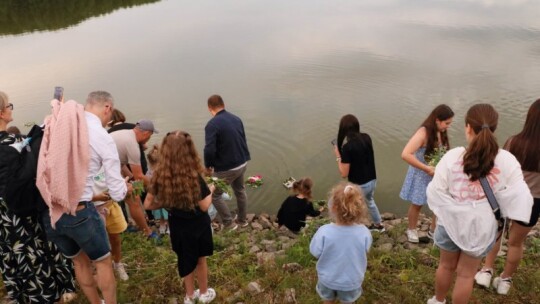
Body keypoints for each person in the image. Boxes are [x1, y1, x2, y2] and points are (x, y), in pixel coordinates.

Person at [425, 103, 533, 304]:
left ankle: (438, 300)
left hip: (450, 223)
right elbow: (522, 197)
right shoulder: (507, 160)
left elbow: (435, 192)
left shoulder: (452, 157)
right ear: (495, 128)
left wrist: (451, 210)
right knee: (466, 275)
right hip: (481, 228)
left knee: (445, 266)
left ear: (467, 127)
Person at [40, 91, 132, 304]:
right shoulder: (100, 135)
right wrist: (123, 188)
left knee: (79, 263)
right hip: (80, 211)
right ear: (107, 107)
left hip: (50, 211)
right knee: (102, 263)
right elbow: (117, 191)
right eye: (110, 114)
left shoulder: (57, 125)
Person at [0, 91, 77, 303]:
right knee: (37, 248)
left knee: (13, 253)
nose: (10, 109)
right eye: (9, 105)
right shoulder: (15, 142)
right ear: (1, 113)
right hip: (24, 211)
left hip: (4, 217)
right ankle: (53, 292)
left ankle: (22, 293)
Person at [474, 99, 540, 295]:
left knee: (496, 235)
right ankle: (505, 280)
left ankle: (486, 270)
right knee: (516, 243)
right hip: (533, 202)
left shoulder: (513, 142)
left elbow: (499, 170)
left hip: (506, 195)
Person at [144, 131, 216, 304]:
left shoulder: (160, 177)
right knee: (200, 260)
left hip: (177, 225)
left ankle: (189, 296)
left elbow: (148, 205)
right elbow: (204, 206)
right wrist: (211, 190)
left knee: (184, 258)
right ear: (190, 151)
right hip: (198, 225)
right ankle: (204, 294)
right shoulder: (194, 177)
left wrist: (167, 203)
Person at [310, 182, 372, 304]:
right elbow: (366, 250)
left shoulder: (324, 231)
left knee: (327, 300)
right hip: (352, 281)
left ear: (333, 208)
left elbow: (315, 252)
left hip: (327, 279)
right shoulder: (364, 232)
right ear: (360, 209)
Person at [400, 104, 454, 243]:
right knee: (417, 203)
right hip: (421, 173)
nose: (448, 126)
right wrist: (426, 168)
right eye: (446, 123)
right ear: (437, 120)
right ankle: (411, 229)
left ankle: (433, 230)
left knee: (438, 203)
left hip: (435, 174)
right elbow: (406, 154)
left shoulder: (441, 132)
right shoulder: (423, 133)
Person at [204, 94, 251, 230]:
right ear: (223, 105)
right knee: (240, 191)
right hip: (242, 162)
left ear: (210, 108)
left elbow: (209, 149)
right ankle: (242, 220)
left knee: (215, 195)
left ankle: (229, 224)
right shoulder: (236, 119)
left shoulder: (212, 124)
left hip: (228, 168)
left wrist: (208, 166)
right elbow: (242, 139)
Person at [333, 114, 385, 232]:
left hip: (359, 186)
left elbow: (344, 173)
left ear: (344, 130)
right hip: (372, 180)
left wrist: (338, 156)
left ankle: (352, 229)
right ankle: (379, 225)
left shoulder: (347, 147)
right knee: (370, 201)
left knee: (349, 206)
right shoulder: (367, 138)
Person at [110, 119, 160, 240]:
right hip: (102, 172)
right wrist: (158, 187)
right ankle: (148, 233)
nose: (149, 139)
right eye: (150, 135)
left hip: (107, 168)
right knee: (133, 198)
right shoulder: (132, 144)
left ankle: (124, 226)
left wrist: (132, 180)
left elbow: (121, 163)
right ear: (146, 133)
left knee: (131, 196)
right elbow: (139, 176)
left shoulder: (125, 134)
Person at [92, 166, 130, 281]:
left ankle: (118, 263)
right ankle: (101, 270)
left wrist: (123, 185)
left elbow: (115, 179)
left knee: (115, 238)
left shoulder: (106, 160)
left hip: (111, 205)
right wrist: (95, 198)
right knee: (99, 244)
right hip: (93, 210)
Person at [146, 144, 169, 235]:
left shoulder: (149, 171)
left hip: (156, 197)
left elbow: (148, 183)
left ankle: (162, 227)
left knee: (161, 214)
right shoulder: (166, 171)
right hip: (165, 197)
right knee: (167, 213)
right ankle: (167, 228)